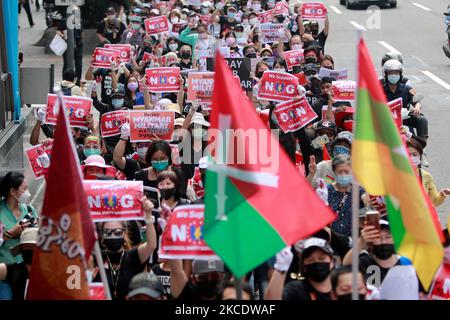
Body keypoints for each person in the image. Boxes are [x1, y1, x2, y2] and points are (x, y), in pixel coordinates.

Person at [95, 197, 156, 300]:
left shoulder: (133, 257)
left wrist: (148, 216)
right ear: (102, 236)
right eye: (108, 233)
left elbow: (151, 245)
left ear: (124, 233)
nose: (113, 236)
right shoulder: (97, 258)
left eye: (117, 232)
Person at [343, 220, 416, 290]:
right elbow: (346, 266)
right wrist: (361, 242)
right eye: (378, 238)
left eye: (388, 237)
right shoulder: (365, 263)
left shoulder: (406, 263)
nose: (383, 241)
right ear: (371, 242)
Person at [265, 238, 334, 300]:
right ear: (304, 267)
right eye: (310, 260)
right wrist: (280, 269)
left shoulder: (340, 285)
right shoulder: (296, 289)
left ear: (332, 262)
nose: (316, 263)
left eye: (322, 259)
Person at [382, 59, 428, 140]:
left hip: (403, 118)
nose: (394, 75)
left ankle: (421, 144)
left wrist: (417, 108)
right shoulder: (379, 90)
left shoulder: (407, 89)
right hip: (384, 119)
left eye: (396, 73)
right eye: (391, 73)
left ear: (400, 74)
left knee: (422, 119)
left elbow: (417, 102)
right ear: (385, 74)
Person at [0, 172, 38, 265]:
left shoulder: (29, 209)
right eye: (24, 189)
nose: (27, 192)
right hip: (5, 272)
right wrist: (10, 234)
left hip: (27, 270)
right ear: (13, 191)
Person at [327, 155, 365, 237]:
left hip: (353, 240)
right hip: (332, 239)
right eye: (339, 172)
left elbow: (366, 198)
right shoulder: (327, 190)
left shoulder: (358, 189)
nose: (343, 175)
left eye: (347, 172)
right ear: (334, 172)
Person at [406, 139, 450, 206]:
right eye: (408, 155)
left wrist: (442, 194)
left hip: (420, 215)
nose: (412, 158)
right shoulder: (394, 175)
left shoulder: (426, 176)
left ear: (420, 157)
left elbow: (433, 202)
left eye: (415, 155)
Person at [0, 228, 38, 300]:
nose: (31, 249)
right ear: (21, 249)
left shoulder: (52, 273)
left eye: (34, 246)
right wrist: (4, 237)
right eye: (27, 246)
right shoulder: (13, 270)